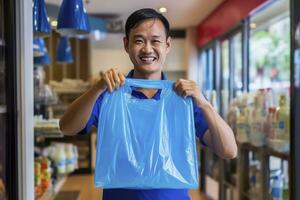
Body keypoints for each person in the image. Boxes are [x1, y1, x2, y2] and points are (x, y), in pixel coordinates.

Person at [59, 8, 237, 200]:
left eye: (155, 41)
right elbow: (67, 127)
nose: (147, 49)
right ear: (126, 44)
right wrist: (97, 89)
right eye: (139, 40)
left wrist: (204, 103)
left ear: (167, 45)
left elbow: (229, 150)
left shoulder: (183, 99)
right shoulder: (110, 95)